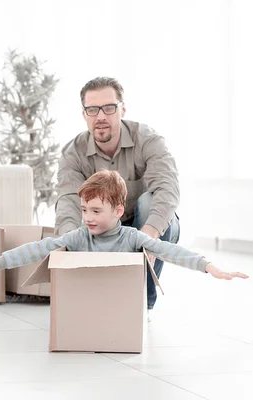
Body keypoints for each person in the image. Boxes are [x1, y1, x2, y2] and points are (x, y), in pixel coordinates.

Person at [0, 171, 247, 314]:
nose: (87, 218)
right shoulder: (78, 237)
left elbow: (169, 251)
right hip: (85, 308)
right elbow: (35, 249)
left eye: (96, 211)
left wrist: (210, 267)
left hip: (122, 308)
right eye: (84, 210)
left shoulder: (132, 237)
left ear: (119, 211)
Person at [55, 76, 180, 311]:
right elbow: (68, 199)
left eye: (109, 108)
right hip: (106, 230)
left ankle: (142, 305)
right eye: (92, 109)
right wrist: (67, 243)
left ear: (122, 109)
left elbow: (167, 188)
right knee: (79, 221)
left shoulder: (148, 140)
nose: (100, 116)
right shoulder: (73, 153)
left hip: (149, 227)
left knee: (149, 202)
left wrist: (149, 235)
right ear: (84, 114)